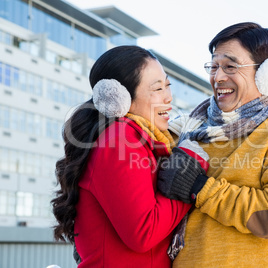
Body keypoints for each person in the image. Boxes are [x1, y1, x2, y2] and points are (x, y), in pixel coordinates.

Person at [157, 22, 268, 267]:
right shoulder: (188, 128)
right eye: (214, 66)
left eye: (230, 66)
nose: (218, 77)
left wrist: (200, 188)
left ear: (266, 75)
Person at [51, 45, 208, 267]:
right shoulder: (121, 139)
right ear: (120, 99)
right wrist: (189, 176)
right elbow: (144, 232)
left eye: (168, 85)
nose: (168, 97)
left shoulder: (138, 139)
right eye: (157, 89)